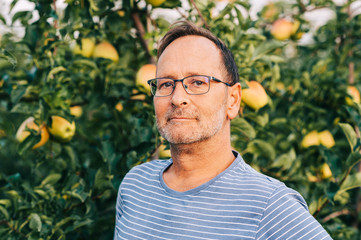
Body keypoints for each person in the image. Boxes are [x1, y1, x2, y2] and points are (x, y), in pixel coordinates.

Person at [114, 21, 332, 239]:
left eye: (198, 82)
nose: (177, 98)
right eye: (165, 84)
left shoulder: (269, 206)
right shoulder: (134, 186)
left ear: (233, 100)